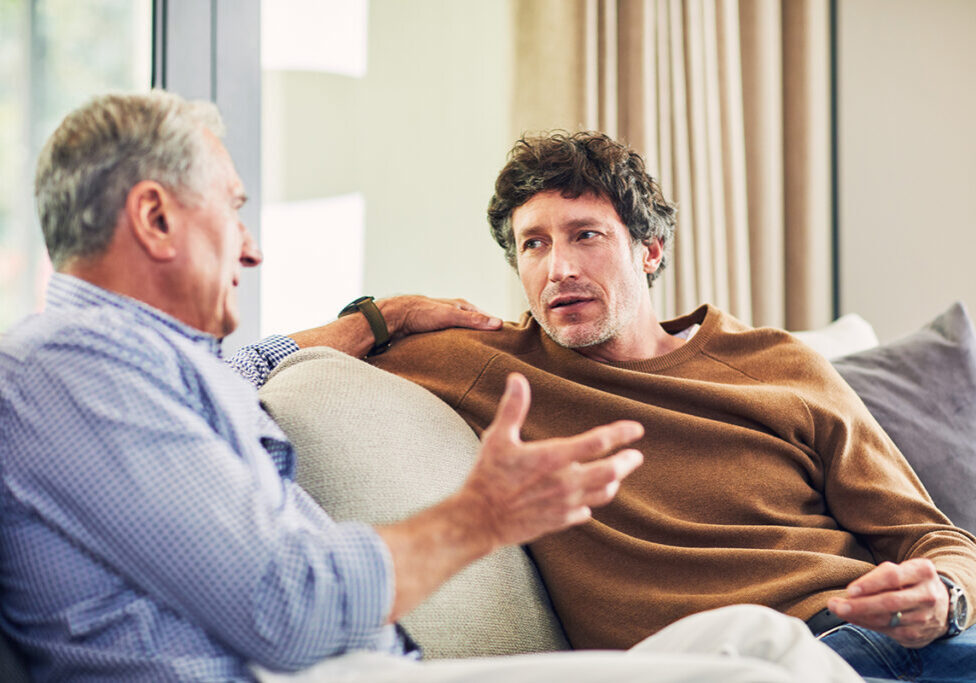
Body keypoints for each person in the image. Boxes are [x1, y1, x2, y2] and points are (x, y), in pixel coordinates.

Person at [0, 91, 861, 683]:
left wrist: (378, 318)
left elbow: (255, 364)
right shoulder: (68, 373)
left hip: (360, 666)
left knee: (765, 642)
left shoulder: (153, 362)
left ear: (649, 249)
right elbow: (285, 605)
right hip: (302, 669)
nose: (253, 248)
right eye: (234, 209)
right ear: (155, 219)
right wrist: (478, 517)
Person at [301, 131, 976, 682]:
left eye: (585, 235)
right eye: (533, 243)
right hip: (753, 664)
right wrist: (378, 315)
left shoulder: (779, 364)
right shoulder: (493, 365)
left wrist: (944, 597)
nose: (557, 267)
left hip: (889, 637)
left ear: (649, 250)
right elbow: (220, 361)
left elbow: (937, 537)